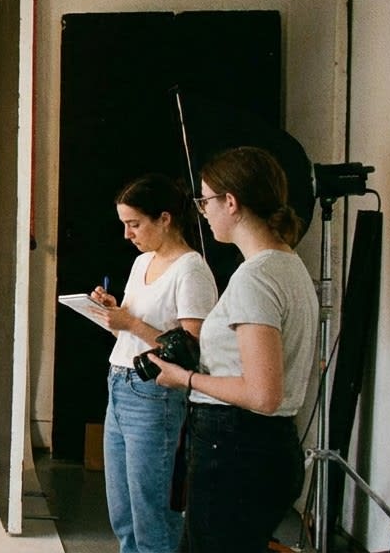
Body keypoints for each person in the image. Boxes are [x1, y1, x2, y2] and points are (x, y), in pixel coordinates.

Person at [147, 146, 316, 553]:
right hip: (263, 446)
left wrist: (185, 377)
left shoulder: (255, 279)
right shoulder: (289, 265)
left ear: (231, 202)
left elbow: (262, 394)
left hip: (237, 448)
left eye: (205, 201)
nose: (203, 211)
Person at [87, 173, 218, 553]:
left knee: (150, 513)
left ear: (165, 218)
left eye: (134, 224)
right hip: (119, 382)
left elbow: (192, 349)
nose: (128, 234)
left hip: (153, 394)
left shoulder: (191, 269)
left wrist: (130, 323)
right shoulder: (142, 262)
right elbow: (128, 333)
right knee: (122, 512)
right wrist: (113, 315)